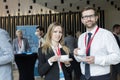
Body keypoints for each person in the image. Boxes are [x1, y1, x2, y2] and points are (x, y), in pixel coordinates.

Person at [73, 6, 120, 80]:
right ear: (82, 20)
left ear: (96, 17)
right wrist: (76, 55)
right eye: (85, 17)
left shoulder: (106, 34)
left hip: (101, 77)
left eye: (91, 16)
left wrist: (96, 60)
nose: (88, 19)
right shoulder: (81, 37)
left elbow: (117, 57)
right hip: (83, 77)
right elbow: (80, 59)